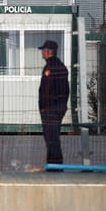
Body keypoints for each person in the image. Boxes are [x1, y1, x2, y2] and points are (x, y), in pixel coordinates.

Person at [38, 39, 69, 168]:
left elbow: (46, 90)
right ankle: (53, 165)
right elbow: (66, 89)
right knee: (53, 137)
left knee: (51, 139)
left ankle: (55, 166)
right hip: (59, 107)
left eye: (43, 51)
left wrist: (44, 108)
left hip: (50, 109)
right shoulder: (61, 66)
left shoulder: (50, 67)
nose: (42, 54)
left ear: (47, 52)